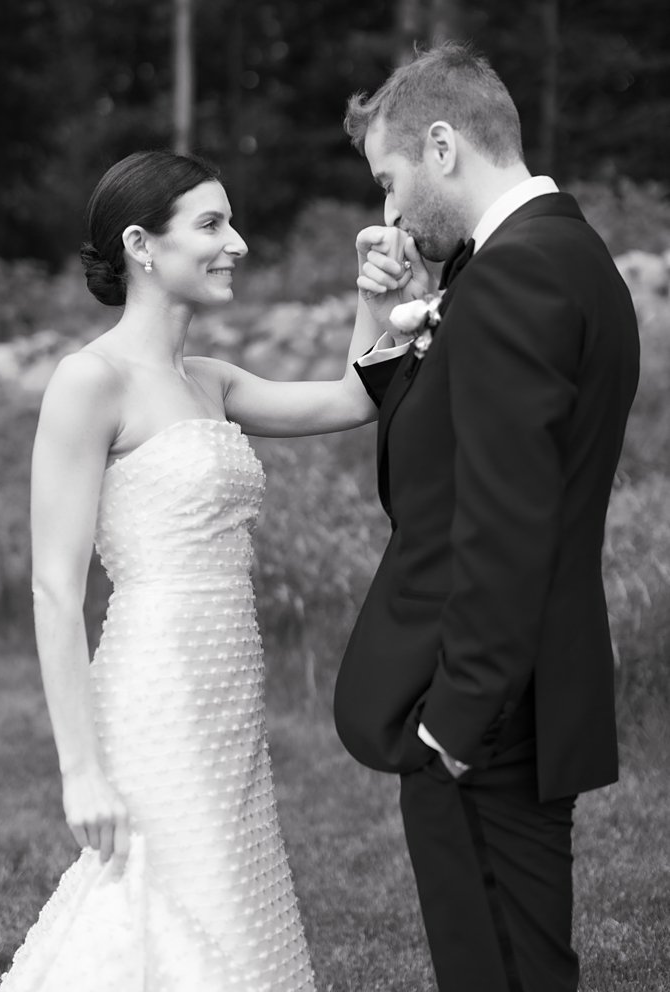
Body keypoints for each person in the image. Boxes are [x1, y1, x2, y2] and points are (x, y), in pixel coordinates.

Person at [0, 149, 420, 990]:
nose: (240, 243)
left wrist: (375, 304)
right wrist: (79, 769)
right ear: (142, 246)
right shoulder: (89, 381)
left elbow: (352, 399)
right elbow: (54, 585)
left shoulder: (212, 381)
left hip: (229, 681)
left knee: (229, 888)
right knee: (165, 890)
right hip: (155, 686)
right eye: (212, 224)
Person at [335, 43, 639, 992]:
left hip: (484, 716)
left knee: (495, 967)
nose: (388, 212)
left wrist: (451, 729)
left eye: (389, 181)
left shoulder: (512, 278)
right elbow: (454, 461)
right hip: (528, 688)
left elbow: (505, 524)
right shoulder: (556, 256)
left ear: (441, 145)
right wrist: (397, 328)